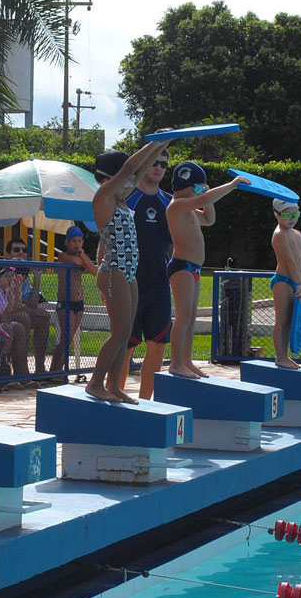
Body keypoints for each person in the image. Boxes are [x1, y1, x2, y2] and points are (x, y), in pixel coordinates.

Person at [87, 141, 170, 403]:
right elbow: (130, 168)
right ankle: (95, 383)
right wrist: (155, 142)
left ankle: (114, 386)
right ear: (111, 178)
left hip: (128, 272)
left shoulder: (120, 198)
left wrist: (162, 145)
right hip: (114, 272)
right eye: (126, 178)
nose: (132, 182)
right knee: (121, 333)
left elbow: (137, 169)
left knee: (124, 336)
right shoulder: (103, 196)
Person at [164, 163, 248, 379]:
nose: (202, 192)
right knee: (183, 317)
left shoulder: (190, 209)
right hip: (181, 266)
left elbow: (209, 219)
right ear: (186, 185)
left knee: (191, 318)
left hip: (194, 268)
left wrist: (205, 195)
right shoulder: (176, 206)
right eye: (198, 188)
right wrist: (232, 185)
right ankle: (175, 363)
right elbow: (201, 200)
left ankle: (186, 361)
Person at [119, 147, 173, 399]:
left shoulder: (169, 202)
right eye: (154, 162)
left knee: (158, 345)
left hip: (159, 285)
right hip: (130, 284)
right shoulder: (127, 198)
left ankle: (145, 403)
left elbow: (173, 243)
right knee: (125, 346)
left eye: (163, 164)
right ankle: (116, 397)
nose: (158, 168)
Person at [49, 225, 97, 376]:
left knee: (68, 339)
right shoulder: (62, 256)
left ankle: (56, 371)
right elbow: (76, 262)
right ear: (67, 242)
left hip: (79, 303)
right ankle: (55, 371)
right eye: (74, 241)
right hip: (65, 303)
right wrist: (83, 259)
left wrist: (84, 257)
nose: (77, 244)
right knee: (66, 337)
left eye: (80, 241)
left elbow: (95, 272)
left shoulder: (82, 257)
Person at [271, 198, 301, 370]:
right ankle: (280, 357)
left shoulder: (297, 234)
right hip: (283, 281)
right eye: (287, 215)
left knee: (290, 321)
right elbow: (289, 261)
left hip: (296, 282)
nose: (292, 218)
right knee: (282, 320)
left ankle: (285, 355)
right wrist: (298, 284)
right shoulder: (279, 235)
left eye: (296, 214)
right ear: (277, 214)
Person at [4, 238, 52, 376]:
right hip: (3, 314)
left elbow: (31, 303)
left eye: (24, 250)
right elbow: (10, 306)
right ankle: (22, 372)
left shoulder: (24, 273)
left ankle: (39, 369)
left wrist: (37, 280)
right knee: (23, 318)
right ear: (8, 255)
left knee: (43, 319)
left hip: (20, 311)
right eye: (16, 250)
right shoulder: (4, 272)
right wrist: (33, 311)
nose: (21, 253)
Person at [0, 266, 31, 383]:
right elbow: (5, 314)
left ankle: (20, 374)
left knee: (19, 328)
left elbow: (15, 308)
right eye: (7, 276)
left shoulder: (6, 290)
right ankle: (3, 375)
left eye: (12, 276)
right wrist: (11, 295)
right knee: (9, 328)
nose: (10, 279)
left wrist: (17, 290)